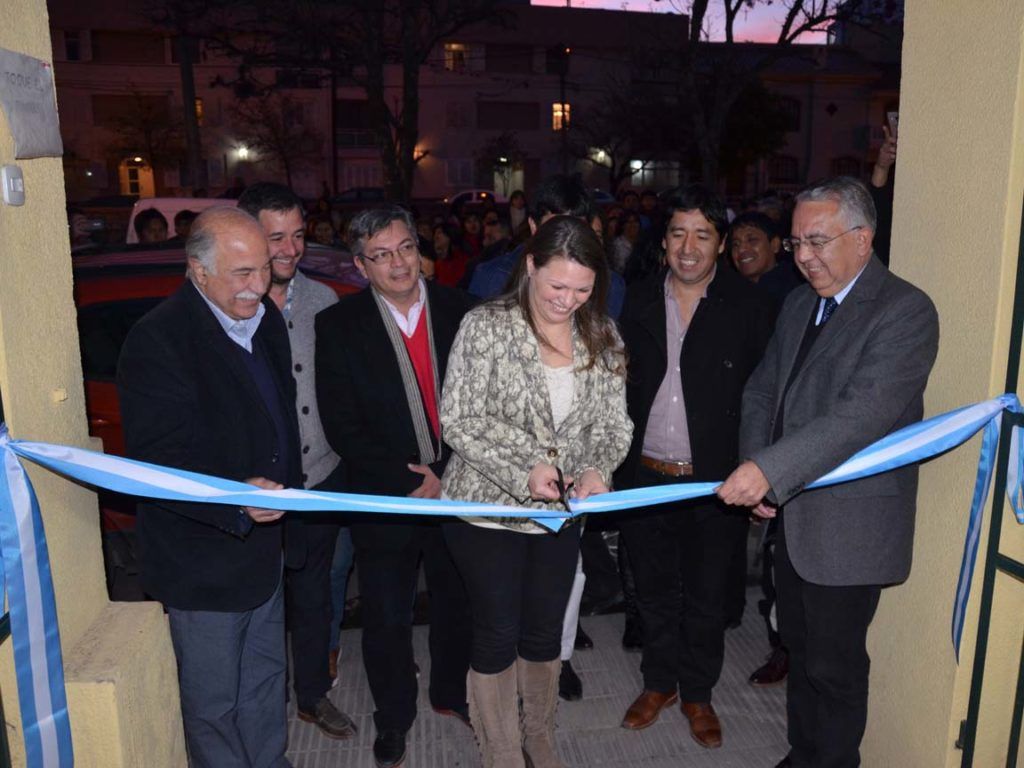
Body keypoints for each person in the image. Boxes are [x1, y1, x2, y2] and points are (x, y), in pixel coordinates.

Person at [717, 176, 939, 768]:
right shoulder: (798, 302)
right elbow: (764, 389)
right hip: (793, 515)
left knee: (834, 667)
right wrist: (755, 464)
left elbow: (860, 417)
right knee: (798, 647)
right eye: (795, 243)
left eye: (816, 241)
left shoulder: (905, 311)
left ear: (863, 239)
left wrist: (769, 471)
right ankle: (802, 755)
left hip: (852, 527)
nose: (803, 256)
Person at [441, 215, 632, 768]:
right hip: (485, 510)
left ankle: (539, 736)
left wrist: (598, 470)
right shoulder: (486, 326)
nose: (568, 301)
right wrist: (525, 468)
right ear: (529, 267)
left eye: (582, 289)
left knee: (546, 631)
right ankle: (500, 750)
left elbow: (614, 426)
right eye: (557, 287)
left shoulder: (604, 334)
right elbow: (460, 419)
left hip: (561, 516)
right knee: (498, 630)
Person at [117, 207, 301, 767]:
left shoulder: (264, 320)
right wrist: (235, 499)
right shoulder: (159, 340)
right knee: (214, 703)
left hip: (265, 551)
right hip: (203, 561)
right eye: (241, 273)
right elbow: (159, 458)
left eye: (264, 269)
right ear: (198, 272)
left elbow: (278, 421)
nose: (258, 286)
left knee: (267, 681)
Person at [616, 185, 775, 749]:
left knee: (708, 597)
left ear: (722, 243)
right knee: (653, 593)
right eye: (678, 233)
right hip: (643, 479)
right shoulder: (632, 301)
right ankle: (658, 683)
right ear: (664, 243)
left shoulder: (750, 307)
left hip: (716, 483)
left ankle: (698, 694)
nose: (689, 247)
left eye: (702, 235)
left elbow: (764, 395)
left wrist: (762, 470)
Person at [315, 205, 473, 768]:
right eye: (381, 254)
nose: (399, 262)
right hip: (386, 496)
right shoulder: (337, 325)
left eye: (406, 247)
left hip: (458, 486)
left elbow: (483, 407)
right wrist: (409, 479)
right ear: (361, 265)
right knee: (386, 614)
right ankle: (395, 718)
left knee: (459, 600)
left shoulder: (463, 312)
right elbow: (342, 423)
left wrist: (449, 473)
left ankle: (452, 694)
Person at [236, 182, 356, 740]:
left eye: (298, 236)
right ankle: (254, 708)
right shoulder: (231, 307)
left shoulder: (323, 301)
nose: (288, 249)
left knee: (316, 595)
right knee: (260, 603)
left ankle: (312, 696)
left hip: (321, 477)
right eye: (274, 237)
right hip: (256, 488)